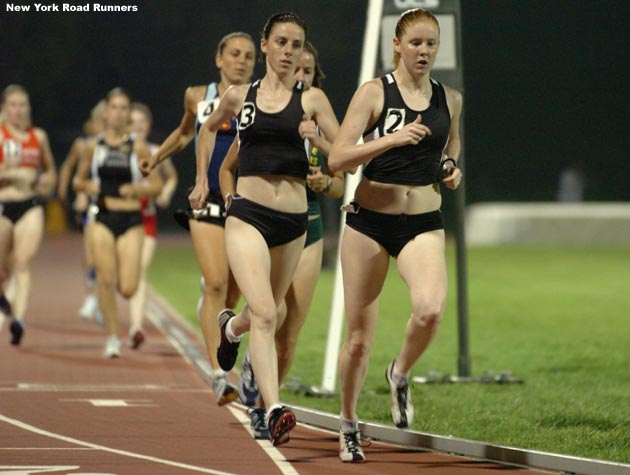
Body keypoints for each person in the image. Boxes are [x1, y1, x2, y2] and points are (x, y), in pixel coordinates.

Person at [190, 12, 339, 446]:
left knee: (260, 315)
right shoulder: (241, 96)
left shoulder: (313, 101)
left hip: (293, 223)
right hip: (247, 215)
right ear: (267, 46)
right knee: (270, 314)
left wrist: (322, 141)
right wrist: (204, 179)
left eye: (296, 44)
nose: (289, 51)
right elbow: (206, 131)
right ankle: (273, 409)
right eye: (282, 42)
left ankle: (230, 330)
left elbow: (347, 152)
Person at [328, 8, 463, 462]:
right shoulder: (373, 93)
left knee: (429, 310)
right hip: (369, 221)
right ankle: (348, 424)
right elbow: (338, 159)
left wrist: (449, 168)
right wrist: (390, 139)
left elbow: (451, 144)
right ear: (397, 46)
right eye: (416, 43)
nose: (424, 51)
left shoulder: (450, 98)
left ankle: (400, 373)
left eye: (431, 44)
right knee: (359, 338)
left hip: (423, 221)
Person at [141, 32, 255, 405]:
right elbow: (184, 133)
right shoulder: (197, 95)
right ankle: (219, 375)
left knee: (237, 291)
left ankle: (218, 319)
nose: (241, 61)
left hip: (246, 202)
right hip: (206, 198)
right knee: (217, 282)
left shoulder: (260, 96)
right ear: (219, 59)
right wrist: (156, 159)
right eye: (234, 54)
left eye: (249, 56)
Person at [74, 87, 161, 358]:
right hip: (102, 216)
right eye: (114, 107)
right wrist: (89, 186)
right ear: (106, 112)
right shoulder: (93, 146)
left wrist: (137, 191)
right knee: (106, 278)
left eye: (124, 108)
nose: (119, 113)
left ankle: (109, 309)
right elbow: (78, 180)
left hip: (132, 218)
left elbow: (156, 184)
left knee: (129, 286)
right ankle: (113, 337)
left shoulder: (137, 145)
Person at [0, 84, 57, 345]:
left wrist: (46, 181)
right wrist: (9, 172)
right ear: (4, 108)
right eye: (13, 105)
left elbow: (50, 172)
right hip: (3, 206)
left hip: (30, 206)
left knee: (22, 263)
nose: (18, 110)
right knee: (3, 269)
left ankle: (19, 320)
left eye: (23, 105)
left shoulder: (39, 136)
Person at [128, 102, 178, 349]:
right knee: (122, 277)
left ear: (148, 126)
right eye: (132, 121)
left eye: (142, 122)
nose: (137, 126)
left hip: (145, 219)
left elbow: (172, 177)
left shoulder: (155, 151)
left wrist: (165, 192)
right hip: (117, 221)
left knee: (139, 271)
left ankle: (136, 326)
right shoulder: (116, 150)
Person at [57, 100, 107, 323]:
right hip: (91, 204)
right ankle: (90, 296)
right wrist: (68, 192)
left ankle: (103, 300)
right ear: (93, 123)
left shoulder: (122, 144)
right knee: (90, 250)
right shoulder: (84, 144)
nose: (104, 124)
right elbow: (70, 167)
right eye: (101, 121)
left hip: (117, 206)